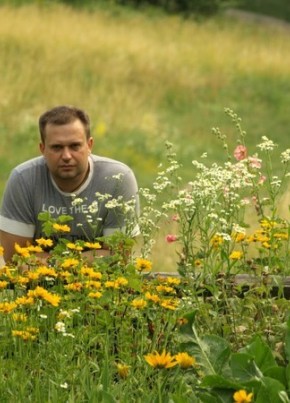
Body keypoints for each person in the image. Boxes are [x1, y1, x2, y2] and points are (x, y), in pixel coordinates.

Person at [0, 105, 140, 264]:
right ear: (42, 149)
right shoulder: (23, 179)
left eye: (74, 146)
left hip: (102, 284)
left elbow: (119, 257)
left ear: (89, 146)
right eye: (57, 147)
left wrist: (52, 263)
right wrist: (90, 259)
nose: (66, 156)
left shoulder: (118, 179)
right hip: (34, 286)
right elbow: (14, 258)